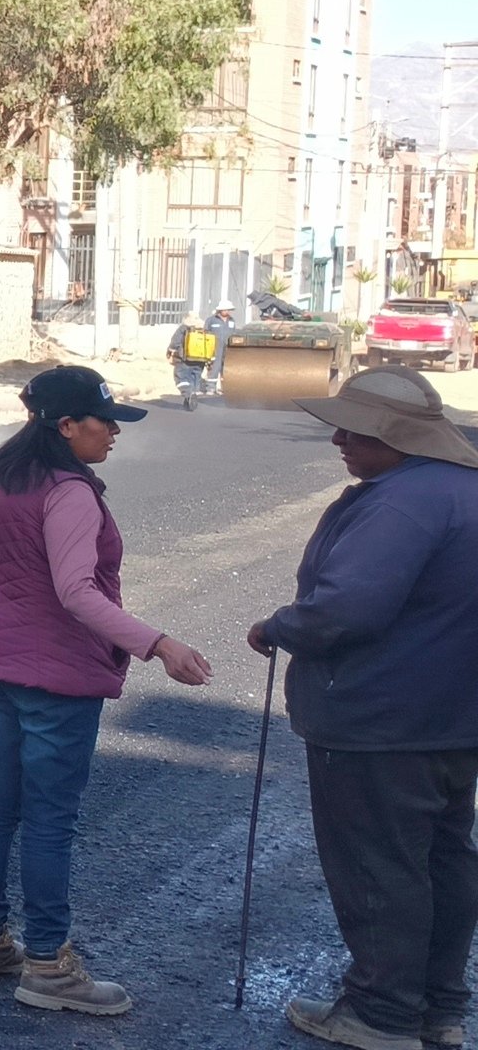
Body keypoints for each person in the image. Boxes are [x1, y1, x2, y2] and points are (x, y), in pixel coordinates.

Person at [0, 366, 216, 1016]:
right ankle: (48, 964)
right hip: (57, 678)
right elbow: (76, 593)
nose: (115, 432)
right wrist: (158, 644)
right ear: (66, 425)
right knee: (48, 821)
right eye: (107, 421)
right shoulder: (68, 491)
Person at [246, 366, 478, 1050]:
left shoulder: (401, 503)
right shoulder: (464, 492)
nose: (341, 439)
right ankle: (438, 1009)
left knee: (381, 866)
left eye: (358, 429)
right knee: (443, 860)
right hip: (455, 718)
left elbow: (350, 608)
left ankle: (380, 1015)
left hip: (381, 718)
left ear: (400, 437)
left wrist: (281, 625)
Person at [169, 316, 219, 409]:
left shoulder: (183, 328)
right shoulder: (204, 329)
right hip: (201, 360)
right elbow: (211, 345)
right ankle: (191, 396)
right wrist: (211, 360)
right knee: (195, 377)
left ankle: (188, 394)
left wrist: (171, 350)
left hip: (185, 359)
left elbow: (175, 341)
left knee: (181, 377)